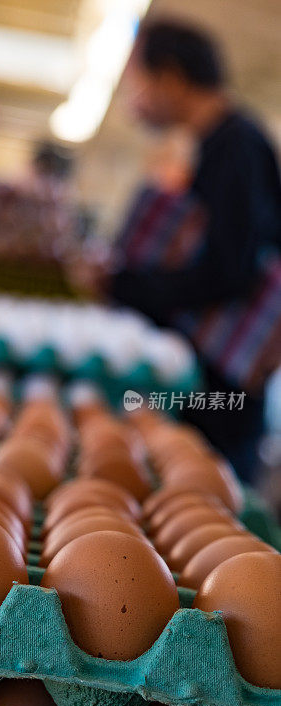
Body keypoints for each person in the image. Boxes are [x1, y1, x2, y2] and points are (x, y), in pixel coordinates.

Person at [71, 18, 281, 483]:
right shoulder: (218, 146)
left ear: (169, 76)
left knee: (210, 499)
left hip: (224, 389)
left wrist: (124, 284)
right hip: (214, 377)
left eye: (138, 83)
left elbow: (230, 270)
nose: (135, 101)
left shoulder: (236, 147)